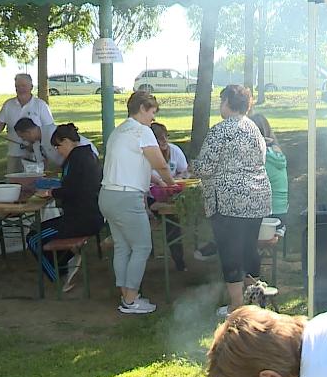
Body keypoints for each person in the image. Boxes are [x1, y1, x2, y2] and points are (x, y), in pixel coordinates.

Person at [193, 85, 271, 317]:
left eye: (221, 101)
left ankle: (237, 306)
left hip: (229, 201)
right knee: (250, 249)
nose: (220, 106)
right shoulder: (254, 129)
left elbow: (206, 167)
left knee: (230, 252)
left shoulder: (220, 130)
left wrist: (192, 166)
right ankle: (253, 298)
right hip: (256, 197)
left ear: (227, 102)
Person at [99, 91, 175, 314]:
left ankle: (126, 295)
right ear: (142, 108)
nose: (153, 118)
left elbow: (139, 164)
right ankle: (131, 301)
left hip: (108, 195)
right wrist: (171, 183)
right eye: (152, 112)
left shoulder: (119, 130)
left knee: (123, 247)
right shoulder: (142, 131)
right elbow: (160, 163)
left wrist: (160, 181)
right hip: (127, 198)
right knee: (142, 246)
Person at [29, 123, 104, 292]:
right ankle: (64, 264)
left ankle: (58, 277)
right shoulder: (86, 155)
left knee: (33, 239)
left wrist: (50, 193)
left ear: (68, 141)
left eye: (58, 145)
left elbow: (73, 189)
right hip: (89, 216)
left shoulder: (77, 159)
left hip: (81, 220)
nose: (56, 150)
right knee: (39, 233)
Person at [0, 74, 55, 175]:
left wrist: (36, 144)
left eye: (23, 86)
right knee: (13, 181)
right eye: (17, 86)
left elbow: (48, 129)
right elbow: (0, 125)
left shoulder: (40, 105)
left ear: (31, 87)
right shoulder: (8, 104)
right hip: (14, 153)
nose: (20, 89)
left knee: (36, 181)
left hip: (37, 153)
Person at [149, 122, 189, 271]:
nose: (164, 141)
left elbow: (184, 172)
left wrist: (179, 179)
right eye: (159, 138)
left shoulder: (175, 151)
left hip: (172, 193)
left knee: (173, 218)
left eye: (165, 137)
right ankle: (175, 260)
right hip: (151, 195)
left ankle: (181, 260)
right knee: (168, 219)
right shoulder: (146, 156)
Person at [250, 113, 288, 237]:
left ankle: (216, 248)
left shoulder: (259, 156)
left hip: (267, 219)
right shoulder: (276, 152)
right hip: (281, 216)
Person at [15, 117, 99, 170]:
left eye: (23, 137)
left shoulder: (52, 133)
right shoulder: (36, 144)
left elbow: (68, 153)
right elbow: (42, 164)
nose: (24, 140)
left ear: (28, 132)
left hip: (85, 159)